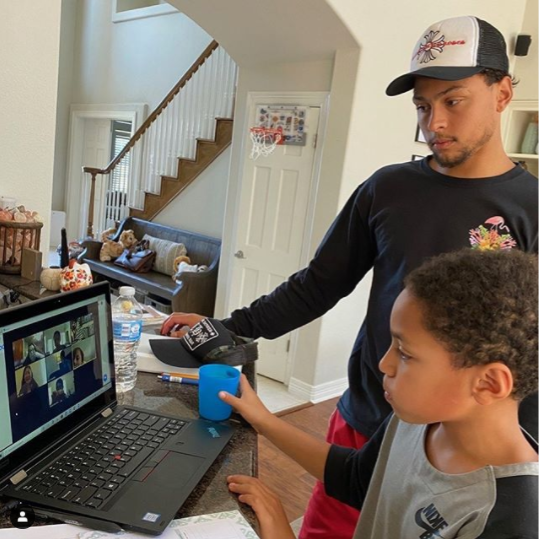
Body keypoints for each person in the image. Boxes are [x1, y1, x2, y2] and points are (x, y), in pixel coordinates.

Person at [161, 16, 538, 538]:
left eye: (455, 101)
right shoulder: (387, 189)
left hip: (470, 448)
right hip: (370, 420)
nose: (436, 124)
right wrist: (228, 326)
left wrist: (522, 460)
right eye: (424, 106)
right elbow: (319, 284)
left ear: (501, 93)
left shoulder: (531, 208)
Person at [221, 249, 538, 539]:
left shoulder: (509, 520)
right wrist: (264, 420)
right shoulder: (416, 421)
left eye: (405, 353)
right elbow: (358, 478)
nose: (384, 363)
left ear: (488, 383)